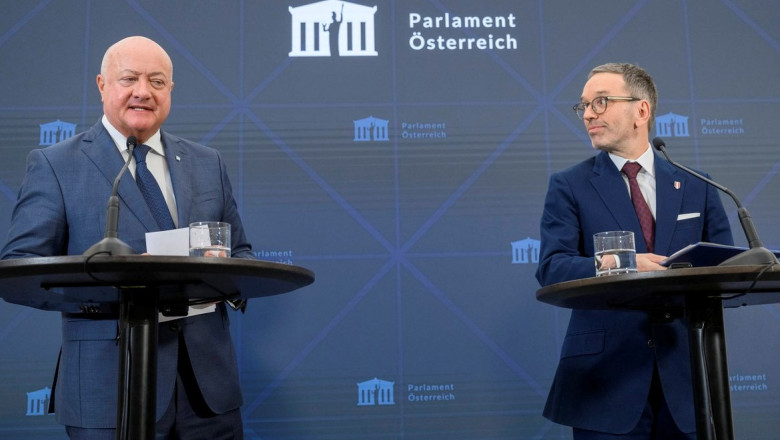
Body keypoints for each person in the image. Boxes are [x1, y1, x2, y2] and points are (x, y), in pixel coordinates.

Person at [1, 36, 252, 439]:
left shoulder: (208, 163)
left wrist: (223, 279)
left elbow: (240, 253)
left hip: (207, 395)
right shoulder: (55, 164)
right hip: (108, 388)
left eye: (157, 81)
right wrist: (117, 284)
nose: (143, 91)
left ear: (170, 91)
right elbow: (20, 269)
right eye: (129, 78)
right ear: (102, 86)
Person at [535, 63, 733, 439]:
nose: (588, 114)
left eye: (601, 102)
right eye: (584, 105)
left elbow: (725, 266)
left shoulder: (698, 185)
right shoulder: (569, 185)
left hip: (686, 379)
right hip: (605, 382)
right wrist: (625, 263)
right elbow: (552, 267)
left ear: (641, 110)